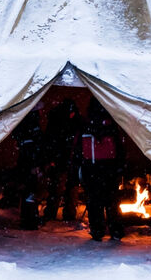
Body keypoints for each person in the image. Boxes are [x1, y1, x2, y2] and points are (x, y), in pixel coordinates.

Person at [76, 99, 126, 241]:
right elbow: (120, 148)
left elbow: (78, 150)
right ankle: (115, 230)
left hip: (92, 169)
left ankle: (98, 230)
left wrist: (80, 167)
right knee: (111, 202)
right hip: (108, 169)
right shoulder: (112, 126)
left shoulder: (85, 126)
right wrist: (120, 167)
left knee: (95, 202)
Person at [43, 98, 84, 221]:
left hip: (65, 159)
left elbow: (50, 140)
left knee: (64, 187)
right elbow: (51, 141)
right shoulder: (69, 122)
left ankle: (60, 213)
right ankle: (60, 213)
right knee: (61, 187)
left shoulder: (58, 121)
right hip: (64, 159)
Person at [12, 109, 43, 230]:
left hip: (25, 162)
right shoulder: (32, 126)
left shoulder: (22, 124)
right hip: (29, 162)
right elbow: (36, 145)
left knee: (27, 191)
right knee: (30, 192)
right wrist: (35, 164)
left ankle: (27, 219)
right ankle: (30, 220)